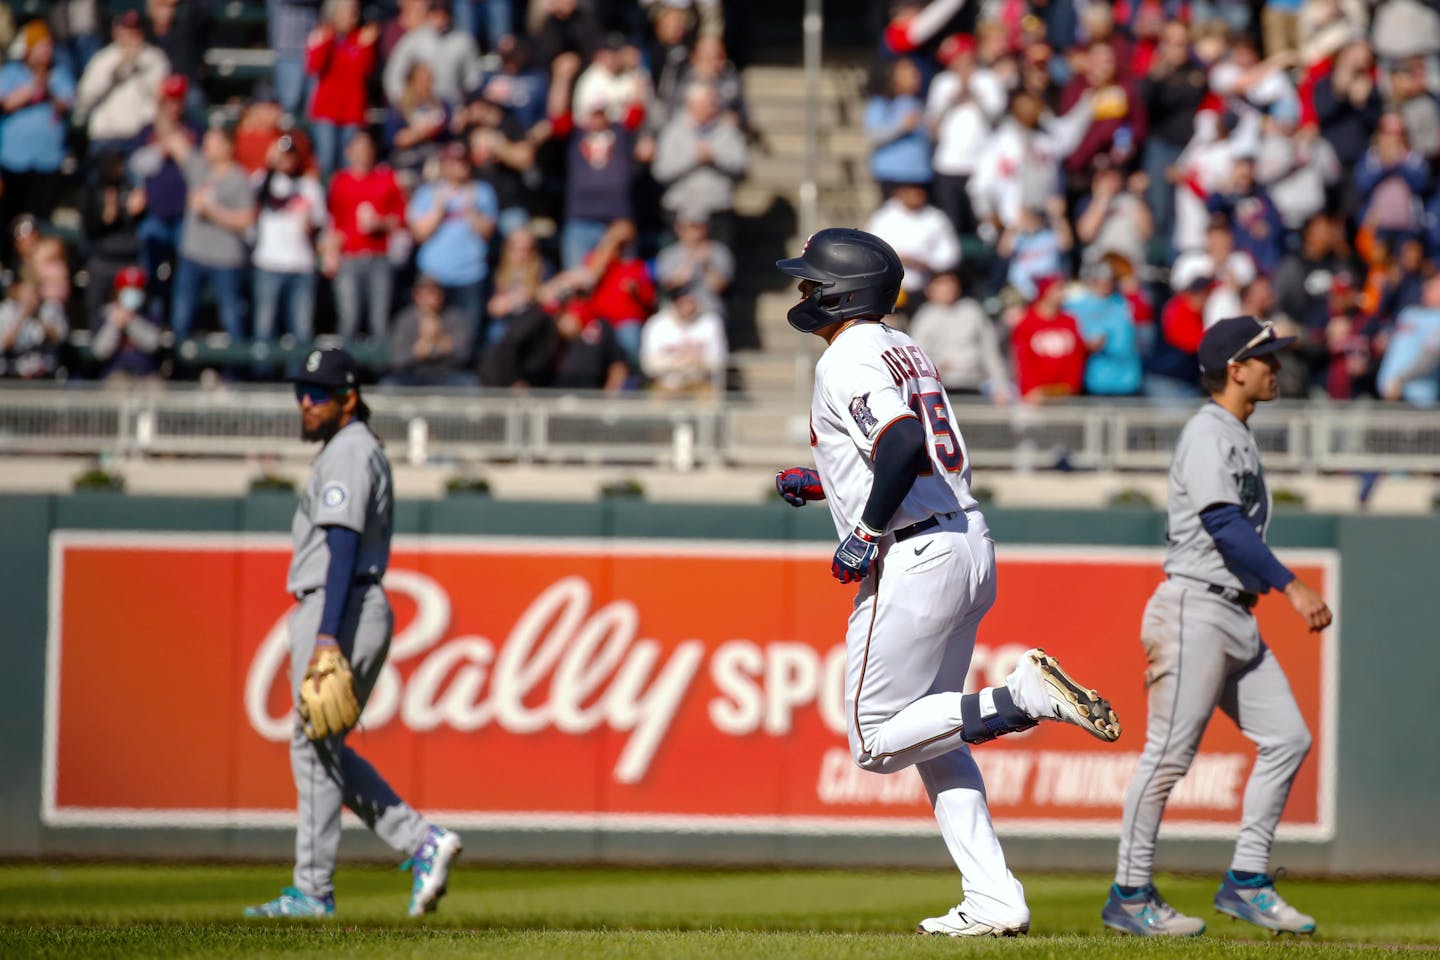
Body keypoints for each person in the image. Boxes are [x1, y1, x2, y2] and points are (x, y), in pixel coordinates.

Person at [772, 228, 1121, 938]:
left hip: (916, 553)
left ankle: (1020, 696)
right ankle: (995, 898)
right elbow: (907, 451)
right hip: (965, 536)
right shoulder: (905, 347)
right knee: (934, 733)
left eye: (812, 282)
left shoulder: (848, 356)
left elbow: (901, 444)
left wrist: (864, 529)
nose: (802, 293)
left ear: (843, 292)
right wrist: (827, 485)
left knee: (874, 742)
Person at [1104, 315, 1331, 938]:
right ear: (1235, 369)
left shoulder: (1233, 431)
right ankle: (1130, 893)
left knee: (1288, 738)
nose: (1275, 368)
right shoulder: (1210, 432)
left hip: (1233, 614)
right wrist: (1292, 583)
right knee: (1169, 757)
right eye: (1266, 359)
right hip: (1194, 609)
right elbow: (1223, 523)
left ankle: (1248, 881)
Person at [245, 347, 462, 919]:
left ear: (348, 399)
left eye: (317, 394)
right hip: (347, 603)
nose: (305, 403)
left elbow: (341, 543)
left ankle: (315, 890)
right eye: (301, 393)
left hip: (341, 603)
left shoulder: (348, 452)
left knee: (312, 747)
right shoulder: (351, 449)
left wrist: (325, 636)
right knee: (321, 745)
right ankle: (419, 842)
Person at [325, 131, 406, 343]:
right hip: (349, 257)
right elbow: (335, 223)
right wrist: (331, 253)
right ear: (348, 152)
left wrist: (380, 223)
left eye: (366, 148)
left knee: (380, 319)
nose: (362, 153)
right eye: (358, 148)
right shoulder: (340, 182)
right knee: (349, 317)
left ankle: (380, 373)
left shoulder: (386, 179)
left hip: (379, 257)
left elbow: (400, 219)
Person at [906, 271, 1011, 401]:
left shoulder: (972, 311)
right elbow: (915, 358)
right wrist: (937, 365)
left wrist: (1001, 385)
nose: (948, 288)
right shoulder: (924, 317)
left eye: (951, 283)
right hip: (940, 389)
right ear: (930, 289)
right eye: (942, 284)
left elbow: (990, 351)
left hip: (975, 385)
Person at [387, 274, 478, 387]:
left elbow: (465, 353)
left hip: (448, 374)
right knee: (390, 384)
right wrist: (418, 351)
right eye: (427, 294)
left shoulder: (455, 316)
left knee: (470, 383)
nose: (433, 299)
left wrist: (437, 344)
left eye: (436, 293)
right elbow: (396, 359)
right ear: (416, 296)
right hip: (413, 375)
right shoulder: (406, 319)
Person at [638, 285, 727, 393]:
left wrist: (699, 361)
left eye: (691, 302)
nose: (688, 307)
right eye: (683, 303)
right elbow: (648, 364)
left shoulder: (710, 322)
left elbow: (719, 360)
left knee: (708, 399)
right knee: (656, 400)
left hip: (699, 382)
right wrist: (678, 362)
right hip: (666, 384)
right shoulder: (657, 324)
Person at [90, 265, 163, 380]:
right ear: (118, 292)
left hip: (145, 372)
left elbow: (153, 344)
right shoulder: (105, 314)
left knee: (156, 388)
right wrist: (114, 324)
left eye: (137, 290)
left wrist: (131, 321)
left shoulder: (149, 314)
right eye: (127, 289)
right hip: (115, 372)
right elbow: (100, 352)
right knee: (118, 385)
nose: (133, 294)